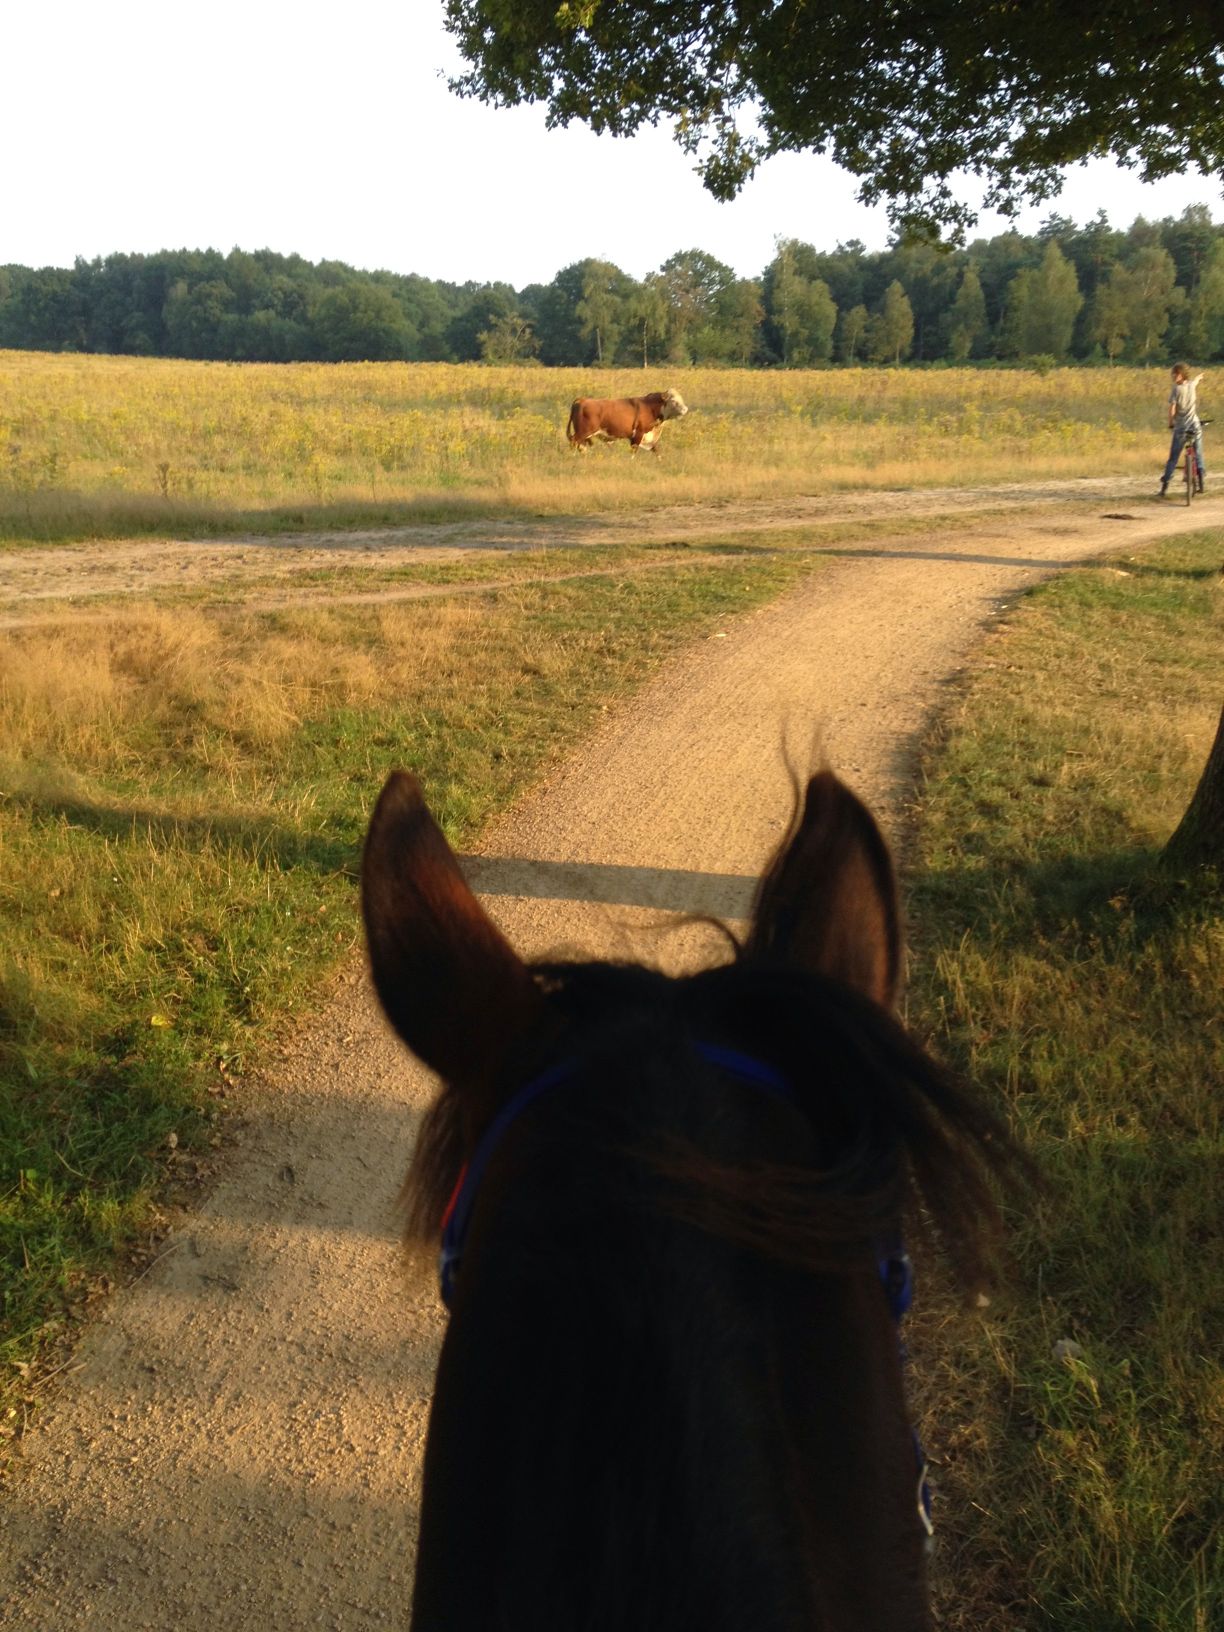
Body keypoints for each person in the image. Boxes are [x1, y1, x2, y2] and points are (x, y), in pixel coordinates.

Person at [1160, 363, 1205, 496]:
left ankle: (1164, 487)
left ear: (1181, 374)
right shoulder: (1191, 385)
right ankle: (1201, 484)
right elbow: (1195, 382)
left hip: (1181, 427)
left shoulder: (1176, 389)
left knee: (1173, 458)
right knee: (1198, 454)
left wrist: (1170, 423)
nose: (1173, 376)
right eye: (1173, 373)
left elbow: (1172, 408)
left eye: (1176, 373)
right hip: (1194, 425)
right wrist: (1200, 377)